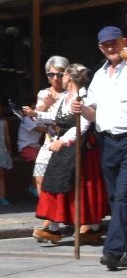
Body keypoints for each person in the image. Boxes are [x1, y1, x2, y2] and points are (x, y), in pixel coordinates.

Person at [36, 62, 106, 245]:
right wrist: (34, 115)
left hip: (80, 149)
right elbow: (57, 119)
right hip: (63, 149)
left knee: (82, 188)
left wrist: (63, 141)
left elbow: (82, 126)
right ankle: (53, 228)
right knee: (56, 183)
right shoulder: (65, 97)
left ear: (69, 77)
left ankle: (92, 226)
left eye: (63, 75)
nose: (60, 79)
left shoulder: (82, 98)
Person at [80, 25, 127, 271]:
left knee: (122, 197)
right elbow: (92, 111)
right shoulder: (99, 75)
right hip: (107, 142)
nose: (111, 47)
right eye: (106, 44)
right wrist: (81, 109)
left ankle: (113, 251)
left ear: (124, 42)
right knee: (114, 198)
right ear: (100, 47)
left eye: (115, 42)